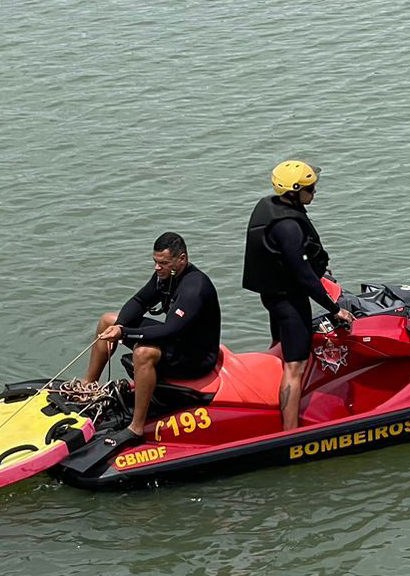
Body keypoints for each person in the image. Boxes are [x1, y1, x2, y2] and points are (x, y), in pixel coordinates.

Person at [80, 232, 221, 449]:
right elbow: (139, 300)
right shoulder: (166, 276)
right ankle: (88, 387)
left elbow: (170, 330)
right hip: (175, 341)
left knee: (143, 353)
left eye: (163, 263)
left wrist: (125, 334)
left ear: (181, 259)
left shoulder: (194, 287)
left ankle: (136, 427)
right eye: (155, 262)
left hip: (195, 356)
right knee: (108, 320)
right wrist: (119, 326)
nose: (157, 267)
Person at [242, 159, 354, 431]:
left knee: (280, 348)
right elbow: (302, 273)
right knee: (296, 366)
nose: (314, 193)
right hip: (290, 300)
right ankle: (290, 432)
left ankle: (269, 408)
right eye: (311, 189)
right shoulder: (288, 227)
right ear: (294, 192)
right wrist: (333, 308)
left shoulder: (269, 208)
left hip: (273, 296)